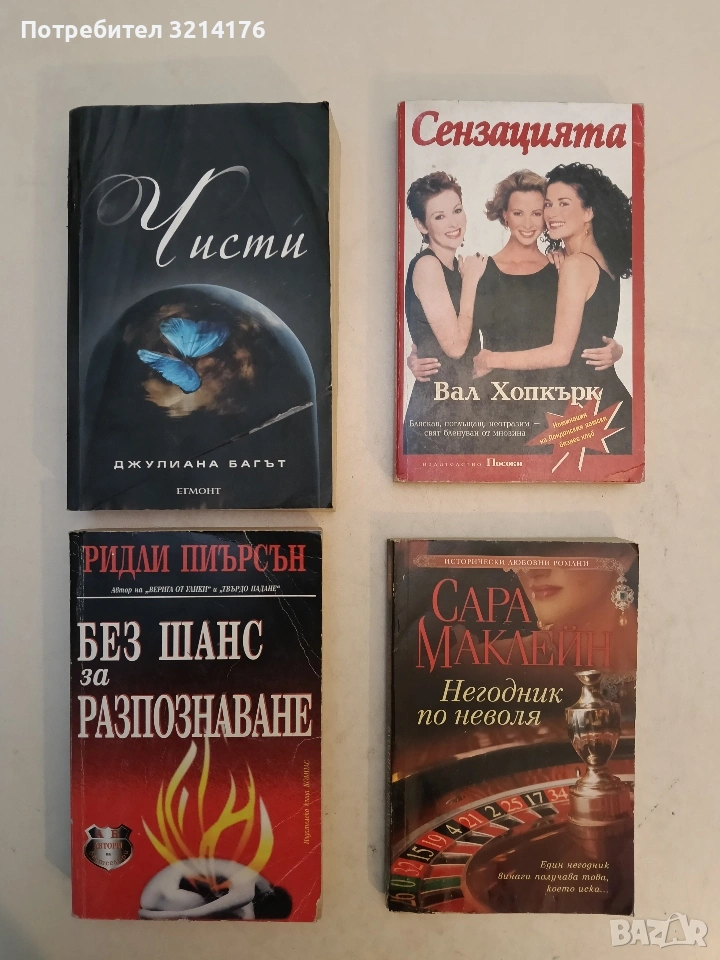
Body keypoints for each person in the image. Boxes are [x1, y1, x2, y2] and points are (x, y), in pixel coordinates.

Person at [406, 170, 623, 453]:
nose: (529, 223)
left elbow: (588, 326)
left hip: (550, 405)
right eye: (518, 213)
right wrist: (417, 353)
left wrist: (616, 349)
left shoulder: (561, 268)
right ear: (504, 215)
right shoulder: (476, 271)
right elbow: (448, 331)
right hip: (494, 408)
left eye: (537, 213)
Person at [472, 163, 633, 453]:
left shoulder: (573, 265)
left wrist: (490, 359)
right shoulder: (596, 260)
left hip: (581, 414)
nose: (551, 214)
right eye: (549, 204)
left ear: (589, 212)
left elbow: (561, 353)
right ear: (505, 215)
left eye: (563, 203)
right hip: (598, 409)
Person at [402, 171, 489, 454]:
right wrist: (471, 283)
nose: (453, 223)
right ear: (421, 225)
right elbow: (455, 347)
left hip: (461, 407)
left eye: (457, 210)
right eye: (439, 216)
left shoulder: (457, 269)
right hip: (436, 416)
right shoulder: (428, 266)